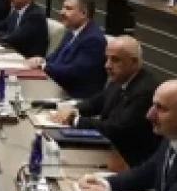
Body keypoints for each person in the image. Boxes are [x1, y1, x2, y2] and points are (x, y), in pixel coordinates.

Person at [51, 36, 161, 167]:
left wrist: (75, 120)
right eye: (107, 58)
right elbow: (97, 102)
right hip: (108, 148)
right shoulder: (121, 78)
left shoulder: (145, 91)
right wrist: (73, 109)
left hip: (127, 161)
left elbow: (116, 129)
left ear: (134, 62)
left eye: (115, 60)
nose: (107, 65)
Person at [25, 0, 107, 99]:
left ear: (83, 13)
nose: (62, 12)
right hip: (58, 88)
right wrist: (41, 60)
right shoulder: (71, 31)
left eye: (68, 9)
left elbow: (74, 72)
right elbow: (55, 57)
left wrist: (43, 66)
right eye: (63, 8)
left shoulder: (94, 40)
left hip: (75, 98)